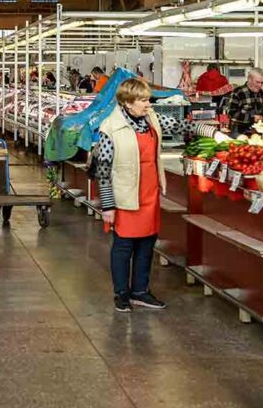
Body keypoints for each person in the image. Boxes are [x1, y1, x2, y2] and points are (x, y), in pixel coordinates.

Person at [95, 77, 224, 313]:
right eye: (143, 100)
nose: (148, 104)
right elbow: (103, 169)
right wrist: (108, 206)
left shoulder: (151, 119)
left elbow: (179, 126)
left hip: (149, 192)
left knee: (146, 244)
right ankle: (121, 294)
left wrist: (212, 133)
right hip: (125, 195)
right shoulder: (109, 128)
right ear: (127, 102)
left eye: (148, 99)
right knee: (123, 246)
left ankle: (140, 291)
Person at [226, 67, 263, 136]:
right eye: (257, 82)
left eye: (262, 83)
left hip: (257, 133)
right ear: (249, 79)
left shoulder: (261, 93)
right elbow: (231, 113)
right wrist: (252, 118)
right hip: (238, 132)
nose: (260, 85)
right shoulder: (238, 92)